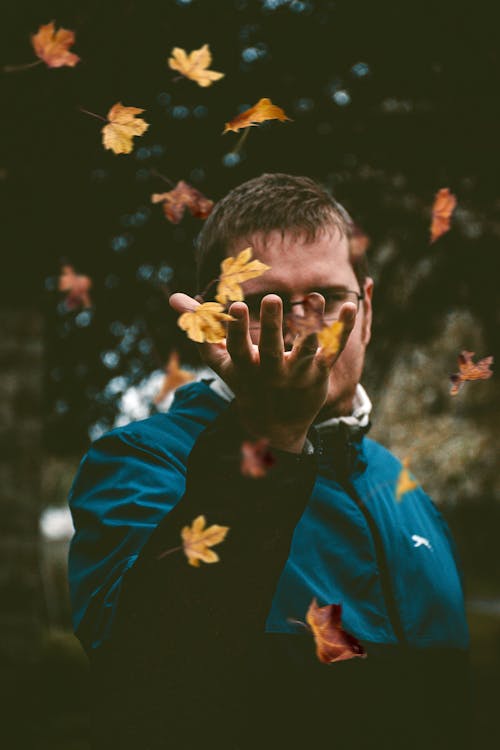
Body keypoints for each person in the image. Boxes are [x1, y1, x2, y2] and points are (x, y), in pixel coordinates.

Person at [68, 173, 471, 750]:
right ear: (212, 323)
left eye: (329, 299)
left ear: (369, 310)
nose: (303, 324)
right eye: (265, 305)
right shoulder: (136, 464)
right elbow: (143, 693)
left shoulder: (404, 490)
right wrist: (270, 434)